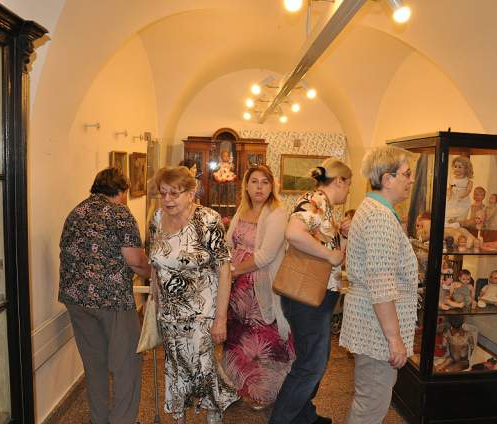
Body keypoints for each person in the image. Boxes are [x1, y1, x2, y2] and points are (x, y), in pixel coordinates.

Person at [59, 168, 150, 424]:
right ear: (121, 191)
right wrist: (153, 272)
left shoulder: (76, 212)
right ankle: (122, 420)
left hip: (76, 298)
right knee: (126, 364)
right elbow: (135, 260)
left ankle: (99, 419)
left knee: (94, 364)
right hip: (111, 300)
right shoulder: (120, 213)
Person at [148, 166, 239, 424]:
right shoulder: (157, 218)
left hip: (202, 311)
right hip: (169, 313)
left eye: (174, 193)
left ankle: (213, 414)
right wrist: (154, 300)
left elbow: (224, 269)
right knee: (177, 367)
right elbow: (155, 262)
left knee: (202, 368)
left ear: (191, 193)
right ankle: (180, 418)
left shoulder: (207, 219)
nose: (167, 199)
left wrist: (220, 319)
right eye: (163, 193)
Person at [339, 146, 419, 424]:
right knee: (371, 403)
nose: (411, 180)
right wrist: (394, 339)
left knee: (370, 399)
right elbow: (381, 284)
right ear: (387, 179)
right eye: (406, 174)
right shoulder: (380, 217)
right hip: (376, 328)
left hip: (372, 323)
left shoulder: (375, 210)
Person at [269, 157, 352, 424]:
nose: (348, 191)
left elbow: (328, 250)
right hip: (307, 300)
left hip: (314, 299)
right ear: (339, 181)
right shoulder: (315, 201)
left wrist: (342, 237)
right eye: (348, 184)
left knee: (315, 360)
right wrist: (328, 255)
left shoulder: (323, 207)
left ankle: (304, 416)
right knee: (310, 365)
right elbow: (294, 233)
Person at [222, 164, 295, 410]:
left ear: (272, 186)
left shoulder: (276, 213)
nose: (259, 187)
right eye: (254, 181)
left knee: (264, 343)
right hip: (237, 292)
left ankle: (266, 393)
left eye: (265, 182)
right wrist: (226, 268)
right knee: (237, 340)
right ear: (246, 185)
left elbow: (265, 256)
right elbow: (228, 242)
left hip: (261, 291)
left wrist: (233, 271)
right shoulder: (242, 209)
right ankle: (238, 387)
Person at [445, 155, 473, 227]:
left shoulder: (468, 181)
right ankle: (450, 223)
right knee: (449, 212)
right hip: (452, 199)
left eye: (460, 167)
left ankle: (457, 223)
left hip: (462, 200)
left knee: (461, 214)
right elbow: (450, 188)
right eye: (455, 166)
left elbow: (468, 190)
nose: (457, 169)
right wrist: (449, 192)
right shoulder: (453, 179)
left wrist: (463, 195)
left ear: (466, 169)